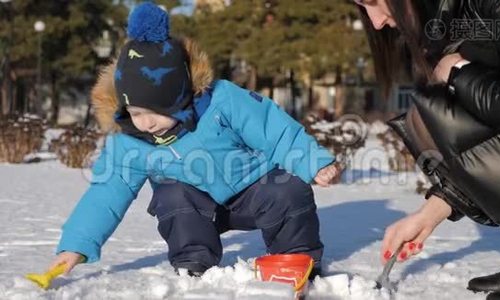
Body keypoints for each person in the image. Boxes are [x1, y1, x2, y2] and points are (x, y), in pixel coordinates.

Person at [47, 2, 339, 278]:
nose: (146, 122)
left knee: (287, 189)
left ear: (180, 97)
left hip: (254, 189)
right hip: (196, 209)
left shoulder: (221, 101)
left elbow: (274, 130)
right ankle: (194, 260)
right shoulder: (130, 142)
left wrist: (312, 162)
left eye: (157, 112)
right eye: (135, 112)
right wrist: (76, 244)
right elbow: (106, 193)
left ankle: (297, 259)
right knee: (171, 194)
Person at [355, 0, 500, 299]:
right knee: (429, 112)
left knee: (441, 101)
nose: (374, 22)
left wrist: (462, 73)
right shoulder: (444, 22)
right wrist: (432, 212)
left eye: (373, 2)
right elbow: (483, 138)